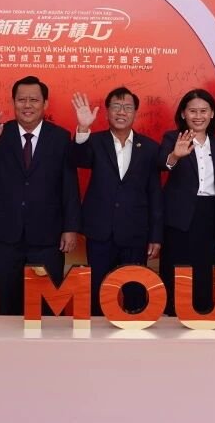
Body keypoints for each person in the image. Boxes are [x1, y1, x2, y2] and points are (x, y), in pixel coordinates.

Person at [0, 75, 80, 316]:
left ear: (45, 103)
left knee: (48, 305)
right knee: (7, 301)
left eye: (34, 100)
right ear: (13, 102)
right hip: (7, 234)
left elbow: (69, 185)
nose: (27, 105)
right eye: (21, 100)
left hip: (48, 235)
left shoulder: (60, 137)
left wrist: (71, 227)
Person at [70, 87, 162, 316]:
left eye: (128, 107)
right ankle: (96, 337)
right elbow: (78, 160)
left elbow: (154, 194)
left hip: (135, 233)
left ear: (135, 112)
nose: (122, 112)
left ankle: (134, 334)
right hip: (100, 232)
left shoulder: (149, 148)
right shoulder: (94, 141)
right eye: (116, 107)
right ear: (107, 112)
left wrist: (155, 236)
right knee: (98, 293)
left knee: (135, 293)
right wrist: (83, 128)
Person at [159, 89, 215, 315]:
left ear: (212, 114)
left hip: (210, 216)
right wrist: (175, 156)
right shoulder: (172, 138)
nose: (198, 116)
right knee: (176, 271)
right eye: (193, 111)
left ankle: (202, 317)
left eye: (203, 111)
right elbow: (162, 164)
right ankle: (172, 317)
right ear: (183, 114)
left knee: (205, 272)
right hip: (179, 218)